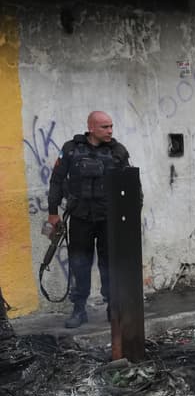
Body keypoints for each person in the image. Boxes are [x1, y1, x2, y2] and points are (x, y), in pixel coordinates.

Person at [46, 111, 132, 329]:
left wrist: (131, 215)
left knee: (109, 264)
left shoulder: (118, 151)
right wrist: (53, 212)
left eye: (111, 126)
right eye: (105, 127)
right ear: (91, 127)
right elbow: (56, 181)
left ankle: (113, 306)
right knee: (79, 263)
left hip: (108, 219)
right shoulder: (71, 149)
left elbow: (132, 185)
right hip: (80, 218)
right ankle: (79, 309)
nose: (110, 131)